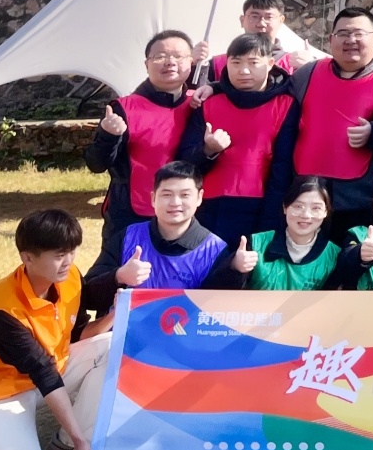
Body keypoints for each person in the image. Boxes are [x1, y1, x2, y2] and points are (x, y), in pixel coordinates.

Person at [0, 209, 111, 450]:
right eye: (59, 255)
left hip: (48, 373)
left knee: (111, 346)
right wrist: (81, 441)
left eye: (71, 251)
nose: (68, 261)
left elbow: (76, 333)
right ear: (27, 258)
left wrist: (114, 313)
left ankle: (66, 443)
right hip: (0, 391)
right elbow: (42, 371)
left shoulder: (69, 277)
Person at [282, 7, 373, 239]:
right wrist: (215, 87)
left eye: (359, 34)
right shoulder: (308, 73)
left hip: (359, 199)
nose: (350, 40)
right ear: (330, 40)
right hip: (305, 194)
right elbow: (273, 102)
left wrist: (372, 131)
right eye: (343, 34)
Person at [85, 30, 208, 275]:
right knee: (120, 279)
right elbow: (96, 164)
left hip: (187, 212)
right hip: (131, 213)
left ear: (191, 62)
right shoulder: (124, 107)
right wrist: (108, 135)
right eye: (160, 56)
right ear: (146, 64)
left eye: (178, 56)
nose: (170, 62)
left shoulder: (201, 103)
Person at [82, 163, 236, 331]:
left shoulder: (215, 250)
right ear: (153, 198)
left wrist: (236, 270)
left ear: (199, 198)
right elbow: (87, 298)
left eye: (185, 195)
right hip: (124, 340)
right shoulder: (127, 237)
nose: (175, 202)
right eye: (166, 194)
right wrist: (118, 277)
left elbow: (220, 316)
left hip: (183, 342)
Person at [196, 33, 297, 244]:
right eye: (236, 63)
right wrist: (208, 150)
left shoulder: (285, 105)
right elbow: (185, 160)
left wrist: (270, 219)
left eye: (253, 62)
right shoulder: (207, 102)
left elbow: (283, 168)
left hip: (261, 205)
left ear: (270, 64)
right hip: (207, 206)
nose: (244, 71)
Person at [231, 176, 341, 290]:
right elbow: (224, 287)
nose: (306, 215)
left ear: (326, 212)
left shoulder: (334, 256)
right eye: (298, 206)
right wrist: (235, 265)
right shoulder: (256, 245)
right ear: (285, 207)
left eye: (316, 208)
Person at [207, 0, 321, 77]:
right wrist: (197, 64)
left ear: (281, 21)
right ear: (242, 20)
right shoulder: (218, 64)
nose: (261, 23)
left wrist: (311, 69)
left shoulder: (296, 63)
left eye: (269, 17)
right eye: (254, 16)